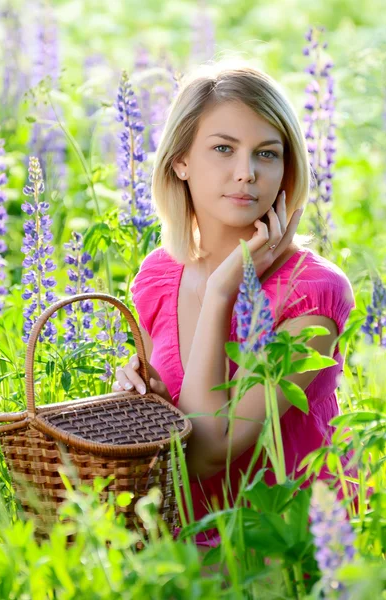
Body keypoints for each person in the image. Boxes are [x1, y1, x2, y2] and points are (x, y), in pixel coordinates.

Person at [112, 60, 357, 549]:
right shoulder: (158, 278)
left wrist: (224, 290)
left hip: (284, 555)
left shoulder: (312, 291)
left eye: (266, 154)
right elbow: (169, 448)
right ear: (180, 161)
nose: (246, 173)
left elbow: (209, 451)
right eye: (223, 149)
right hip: (177, 549)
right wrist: (138, 398)